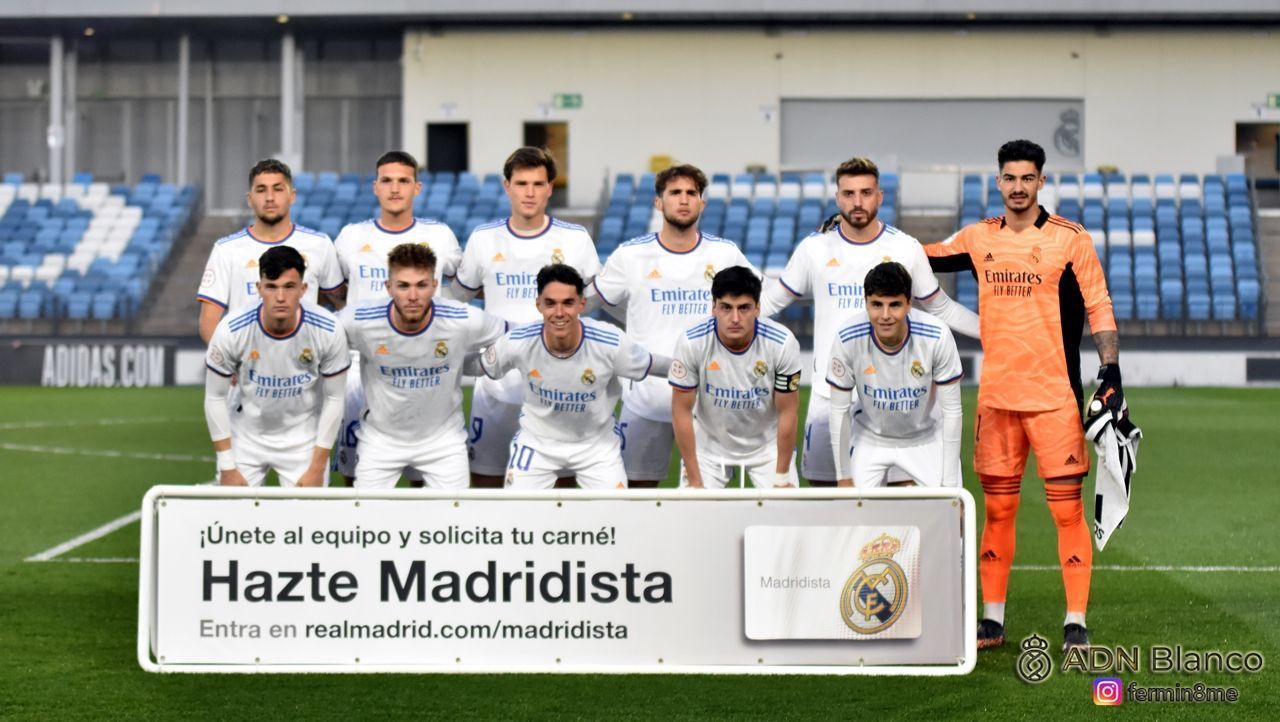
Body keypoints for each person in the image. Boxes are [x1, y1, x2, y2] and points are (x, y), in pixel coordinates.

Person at [925, 139, 1122, 652]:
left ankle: (1075, 621)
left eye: (1027, 178)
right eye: (1010, 178)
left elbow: (1099, 306)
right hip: (997, 399)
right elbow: (924, 256)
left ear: (1041, 182)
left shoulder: (1071, 239)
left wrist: (1110, 370)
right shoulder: (977, 237)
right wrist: (865, 236)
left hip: (1054, 397)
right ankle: (992, 620)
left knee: (1066, 512)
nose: (1018, 187)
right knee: (997, 510)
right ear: (998, 182)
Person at [760, 157, 979, 486]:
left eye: (865, 192)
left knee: (904, 495)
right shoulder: (814, 249)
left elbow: (941, 307)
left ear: (879, 196)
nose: (857, 202)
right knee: (826, 491)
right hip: (829, 391)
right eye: (849, 194)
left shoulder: (905, 247)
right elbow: (769, 302)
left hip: (894, 396)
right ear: (837, 198)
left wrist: (993, 332)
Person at [590, 164, 754, 487]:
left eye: (691, 193)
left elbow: (760, 302)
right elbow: (593, 299)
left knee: (702, 497)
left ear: (702, 203)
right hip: (644, 400)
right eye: (675, 192)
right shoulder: (630, 256)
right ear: (658, 202)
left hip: (709, 403)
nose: (683, 199)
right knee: (635, 492)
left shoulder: (725, 254)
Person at [452, 147, 600, 487]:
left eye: (538, 184)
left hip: (559, 386)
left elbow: (588, 300)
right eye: (521, 183)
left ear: (550, 188)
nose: (529, 192)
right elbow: (459, 298)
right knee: (485, 482)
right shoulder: (484, 239)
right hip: (497, 385)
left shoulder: (575, 239)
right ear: (507, 186)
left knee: (561, 486)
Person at [331, 151, 463, 484]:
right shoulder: (350, 237)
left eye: (403, 181)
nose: (394, 189)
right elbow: (334, 292)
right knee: (354, 469)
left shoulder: (440, 237)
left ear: (417, 188)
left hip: (423, 364)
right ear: (375, 187)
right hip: (360, 365)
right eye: (386, 181)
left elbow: (460, 290)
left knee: (424, 465)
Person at [479, 264, 668, 490]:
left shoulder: (610, 342)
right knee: (518, 509)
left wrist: (692, 369)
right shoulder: (517, 341)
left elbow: (653, 364)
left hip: (597, 446)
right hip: (537, 444)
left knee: (616, 509)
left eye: (568, 303)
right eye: (550, 303)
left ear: (582, 304)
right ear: (538, 304)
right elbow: (481, 366)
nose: (559, 313)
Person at [344, 243, 507, 489]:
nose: (413, 296)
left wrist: (482, 363)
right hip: (380, 440)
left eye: (421, 285)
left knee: (454, 514)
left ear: (434, 286)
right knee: (365, 512)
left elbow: (516, 335)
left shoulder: (463, 319)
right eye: (403, 286)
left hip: (444, 442)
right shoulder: (359, 321)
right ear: (388, 287)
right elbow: (319, 338)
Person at [203, 246, 349, 487]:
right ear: (259, 288)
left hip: (303, 440)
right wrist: (227, 465)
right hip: (246, 437)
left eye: (289, 287)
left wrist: (317, 466)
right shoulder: (232, 330)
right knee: (232, 509)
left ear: (303, 289)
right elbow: (214, 397)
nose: (280, 297)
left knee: (309, 511)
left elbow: (335, 399)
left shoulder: (328, 329)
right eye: (271, 287)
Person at [826, 262, 963, 488]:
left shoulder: (937, 336)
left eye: (895, 305)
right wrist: (843, 476)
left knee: (950, 507)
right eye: (877, 305)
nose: (885, 315)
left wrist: (949, 484)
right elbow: (838, 411)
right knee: (850, 509)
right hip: (870, 438)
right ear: (866, 303)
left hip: (925, 438)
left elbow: (952, 412)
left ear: (909, 304)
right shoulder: (848, 337)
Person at [669, 267, 801, 489]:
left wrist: (781, 478)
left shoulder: (782, 343)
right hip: (709, 447)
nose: (735, 318)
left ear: (758, 308)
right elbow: (680, 410)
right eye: (726, 308)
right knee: (693, 508)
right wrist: (694, 479)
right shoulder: (692, 342)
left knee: (784, 508)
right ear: (713, 307)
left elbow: (788, 412)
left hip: (767, 448)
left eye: (744, 308)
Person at [197, 159, 344, 344]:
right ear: (250, 199)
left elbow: (340, 304)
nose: (269, 197)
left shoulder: (319, 244)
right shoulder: (226, 249)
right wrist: (227, 359)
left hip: (304, 359)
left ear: (292, 196)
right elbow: (208, 322)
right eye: (261, 190)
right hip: (246, 359)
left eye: (278, 189)